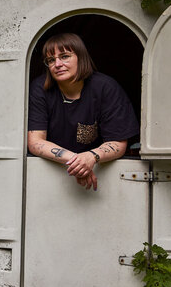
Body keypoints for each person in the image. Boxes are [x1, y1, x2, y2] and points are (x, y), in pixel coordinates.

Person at [27, 33, 138, 191]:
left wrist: (91, 157)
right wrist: (79, 162)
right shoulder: (40, 89)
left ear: (81, 57)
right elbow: (35, 142)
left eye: (65, 56)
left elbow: (119, 143)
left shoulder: (105, 87)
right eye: (51, 60)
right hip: (49, 179)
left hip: (102, 183)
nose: (57, 64)